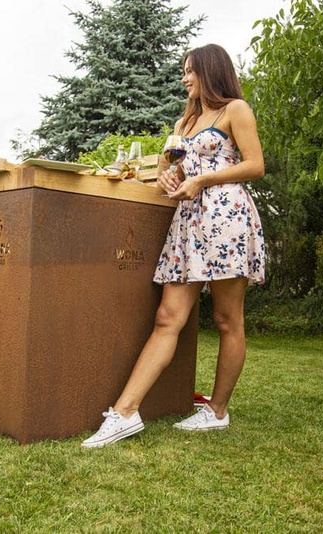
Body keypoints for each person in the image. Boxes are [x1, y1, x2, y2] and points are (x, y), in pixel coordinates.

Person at [82, 44, 266, 448]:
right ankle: (125, 412)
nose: (184, 78)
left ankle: (217, 410)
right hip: (189, 223)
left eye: (190, 71)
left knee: (227, 319)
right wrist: (169, 176)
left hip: (226, 219)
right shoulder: (188, 118)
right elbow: (173, 166)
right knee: (168, 317)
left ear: (209, 71)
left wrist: (203, 180)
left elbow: (255, 165)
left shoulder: (235, 109)